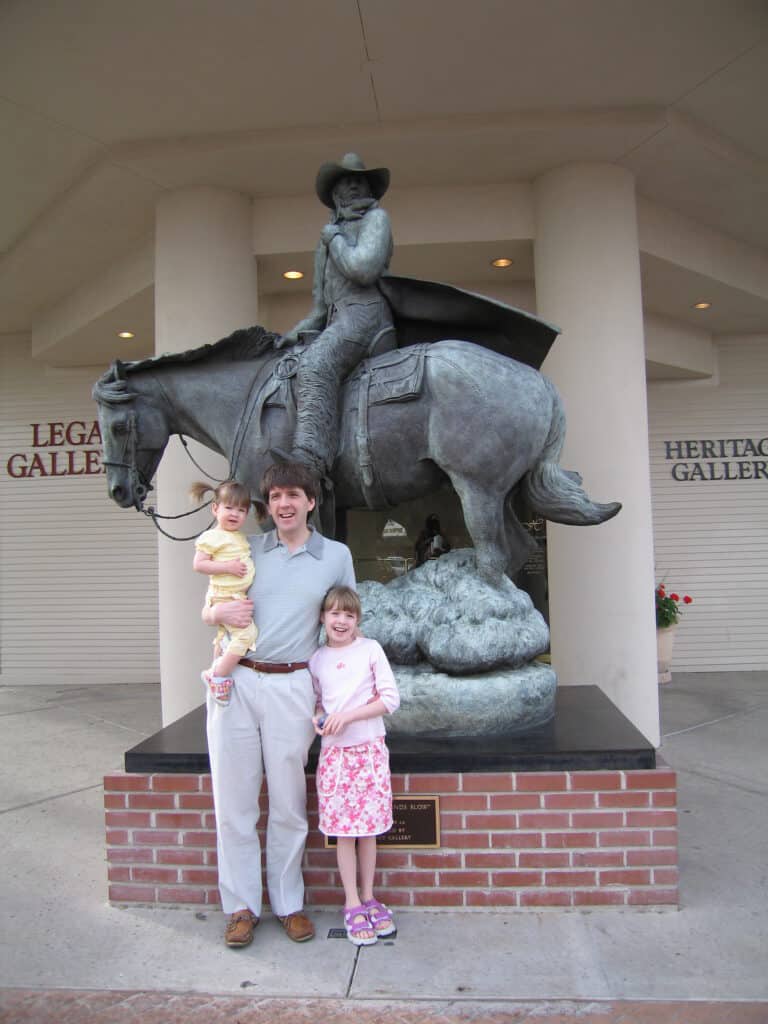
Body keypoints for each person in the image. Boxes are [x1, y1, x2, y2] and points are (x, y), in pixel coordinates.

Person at [203, 461, 355, 949]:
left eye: (293, 495)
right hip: (239, 681)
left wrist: (344, 694)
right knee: (234, 801)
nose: (283, 504)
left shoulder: (335, 556)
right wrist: (213, 612)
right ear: (266, 506)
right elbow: (214, 604)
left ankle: (289, 904)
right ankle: (241, 907)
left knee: (289, 803)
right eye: (274, 497)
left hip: (293, 686)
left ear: (311, 501)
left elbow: (345, 625)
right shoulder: (247, 550)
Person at [276, 152, 395, 479]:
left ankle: (310, 461)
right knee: (290, 363)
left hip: (365, 315)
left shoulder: (376, 220)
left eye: (360, 180)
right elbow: (319, 308)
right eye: (346, 181)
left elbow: (363, 269)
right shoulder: (329, 233)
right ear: (335, 193)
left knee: (315, 364)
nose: (354, 186)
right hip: (337, 318)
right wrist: (287, 337)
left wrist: (336, 240)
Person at [309, 585, 400, 946]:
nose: (341, 621)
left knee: (370, 829)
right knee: (344, 831)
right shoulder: (316, 659)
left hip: (370, 752)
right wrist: (320, 719)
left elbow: (390, 699)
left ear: (357, 619)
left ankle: (369, 895)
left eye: (348, 614)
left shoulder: (370, 650)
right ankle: (351, 901)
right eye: (334, 613)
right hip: (336, 758)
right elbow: (316, 704)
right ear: (323, 618)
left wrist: (347, 716)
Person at [191, 480, 256, 706]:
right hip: (224, 595)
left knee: (222, 637)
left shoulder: (238, 536)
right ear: (215, 508)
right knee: (247, 635)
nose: (234, 514)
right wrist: (227, 568)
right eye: (229, 508)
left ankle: (215, 666)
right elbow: (199, 564)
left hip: (235, 596)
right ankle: (217, 675)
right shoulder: (212, 536)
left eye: (241, 510)